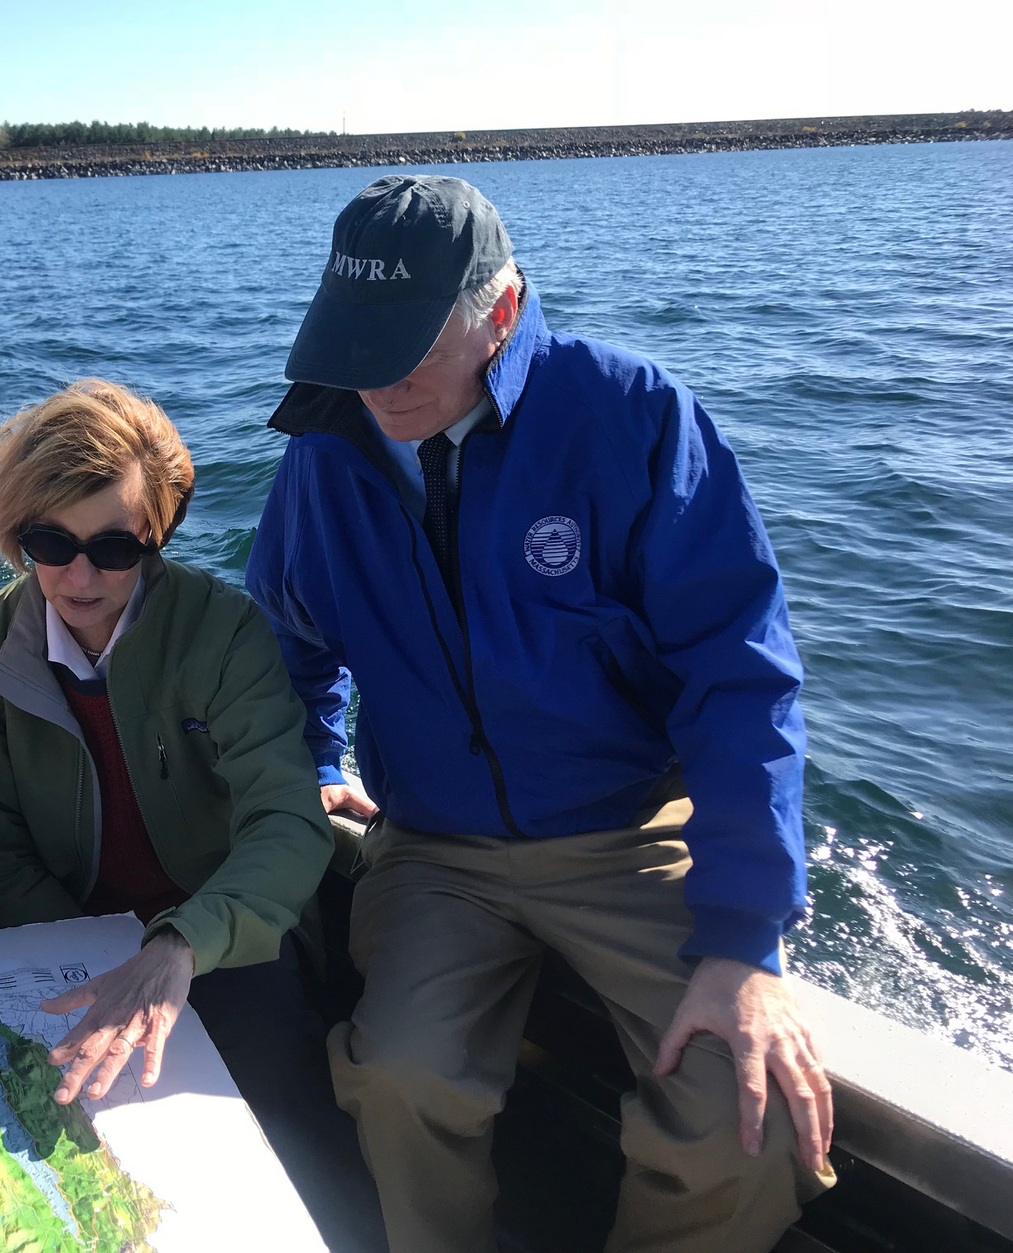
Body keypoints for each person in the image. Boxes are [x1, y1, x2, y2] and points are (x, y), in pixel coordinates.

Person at [246, 176, 837, 1252]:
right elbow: (285, 644)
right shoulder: (321, 453)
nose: (378, 380)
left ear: (502, 310)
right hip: (432, 845)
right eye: (355, 340)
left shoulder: (633, 415)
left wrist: (746, 939)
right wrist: (311, 757)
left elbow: (739, 677)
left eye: (410, 345)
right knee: (395, 1077)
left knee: (742, 1115)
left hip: (628, 833)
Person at [0, 378, 387, 1249]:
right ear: (14, 537)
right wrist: (102, 962)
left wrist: (177, 946)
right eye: (48, 542)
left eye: (112, 546)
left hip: (222, 942)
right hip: (59, 943)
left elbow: (284, 822)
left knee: (279, 1132)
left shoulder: (224, 634)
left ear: (156, 536)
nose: (79, 575)